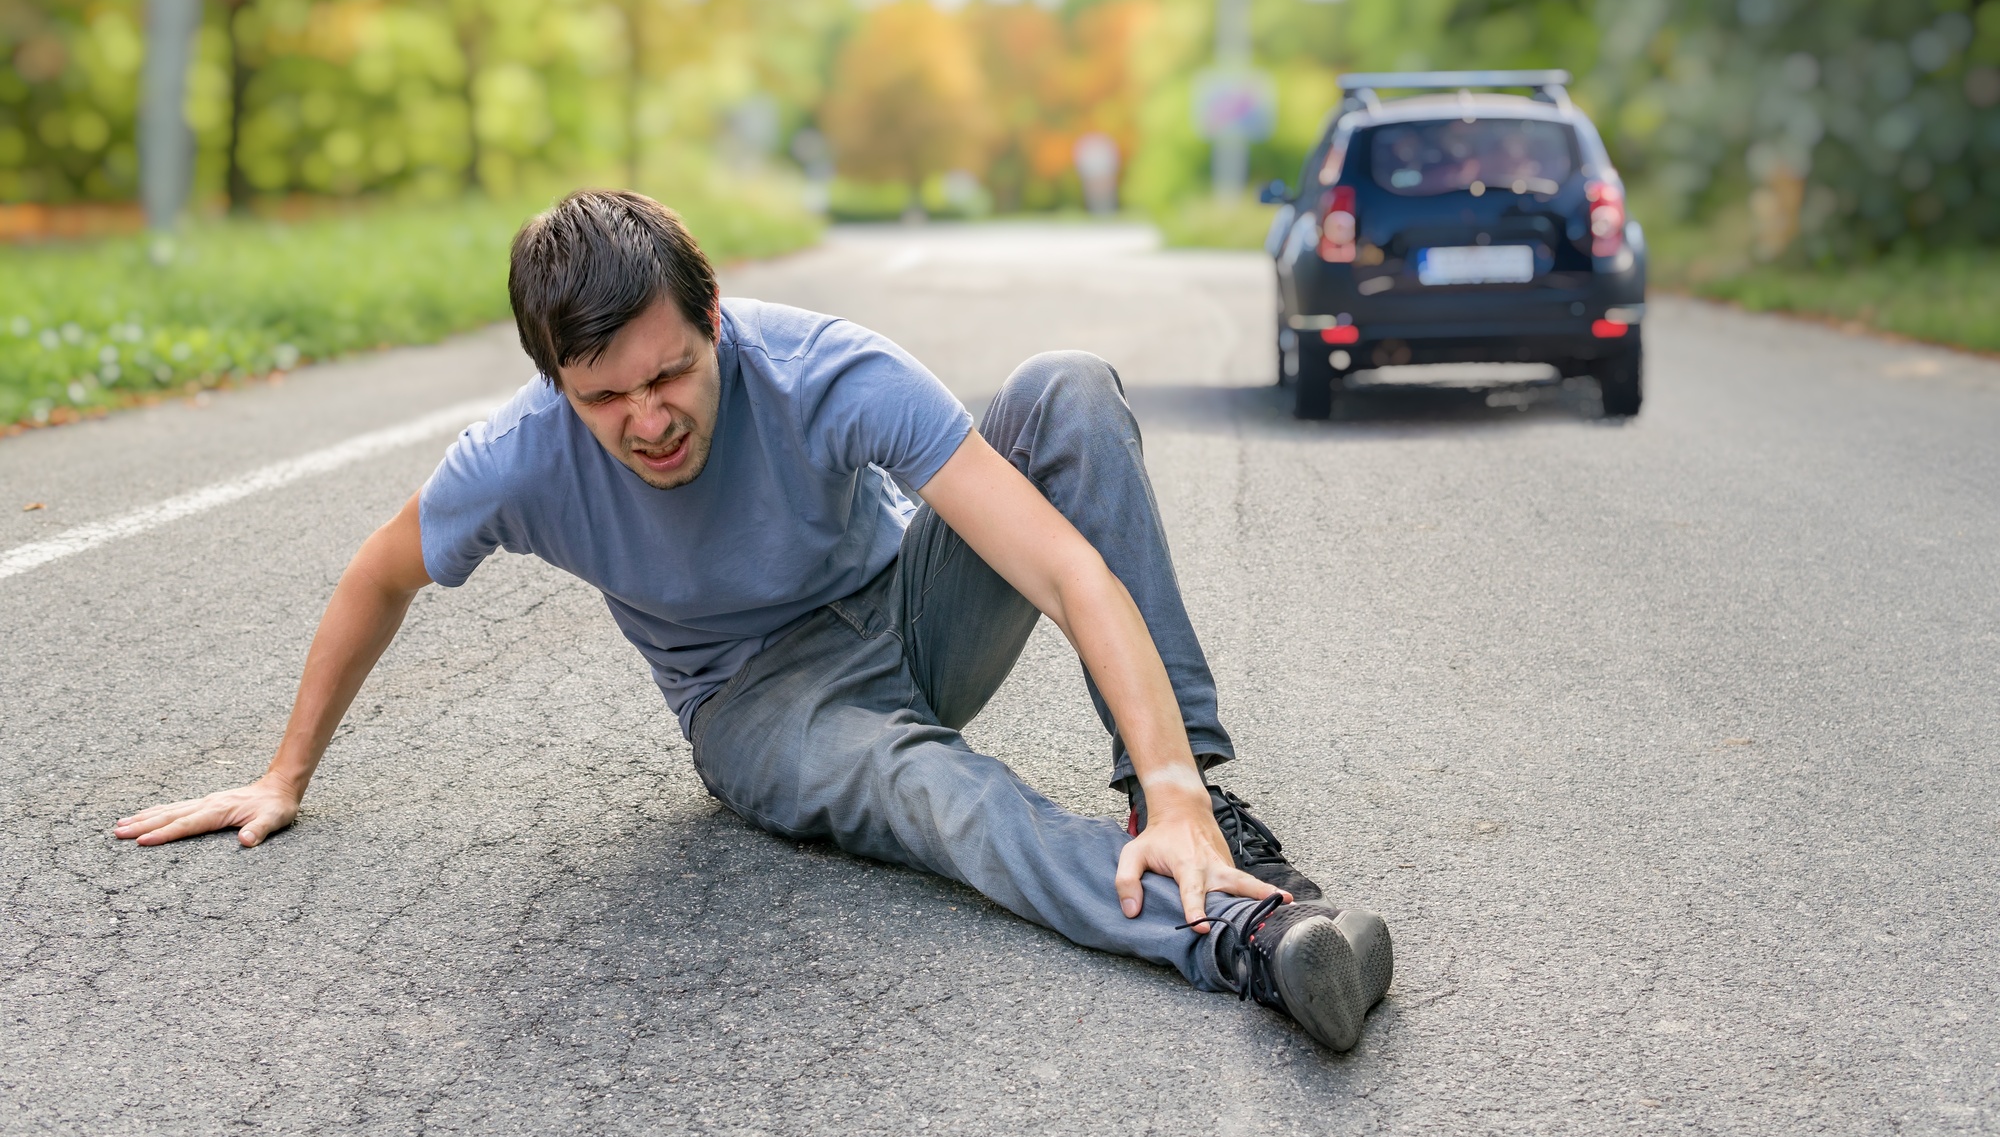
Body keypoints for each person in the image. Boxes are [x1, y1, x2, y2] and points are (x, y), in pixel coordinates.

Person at [115, 190, 1393, 1052]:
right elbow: (377, 576)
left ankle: (1195, 822)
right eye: (604, 395)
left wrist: (1165, 779)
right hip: (763, 705)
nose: (648, 416)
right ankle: (1244, 935)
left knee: (1062, 390)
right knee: (944, 797)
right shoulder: (514, 461)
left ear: (716, 319)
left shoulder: (828, 370)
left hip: (906, 615)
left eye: (670, 370)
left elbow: (1059, 567)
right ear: (555, 383)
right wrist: (284, 772)